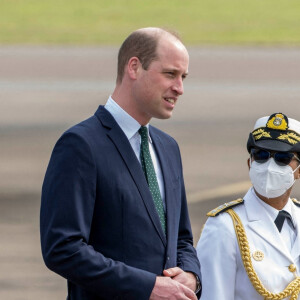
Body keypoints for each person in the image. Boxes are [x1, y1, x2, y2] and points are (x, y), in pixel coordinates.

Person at [40, 27, 201, 300]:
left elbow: (182, 238)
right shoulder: (81, 145)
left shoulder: (168, 148)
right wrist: (146, 287)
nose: (180, 88)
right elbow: (62, 248)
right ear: (134, 67)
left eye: (183, 77)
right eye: (170, 74)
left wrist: (191, 275)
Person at [196, 112, 300, 300]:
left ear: (298, 171)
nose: (269, 165)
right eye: (261, 155)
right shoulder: (224, 227)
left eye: (283, 158)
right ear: (249, 163)